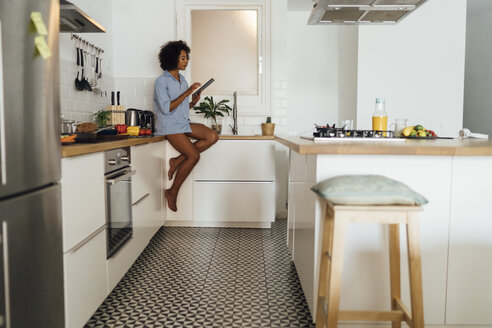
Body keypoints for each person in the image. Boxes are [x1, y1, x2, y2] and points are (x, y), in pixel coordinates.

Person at [154, 40, 218, 212]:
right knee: (194, 156)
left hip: (181, 123)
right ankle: (172, 192)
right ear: (173, 58)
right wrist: (188, 92)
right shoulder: (162, 81)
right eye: (183, 58)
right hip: (169, 126)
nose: (186, 61)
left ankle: (177, 160)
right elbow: (167, 108)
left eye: (187, 58)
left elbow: (180, 105)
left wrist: (192, 102)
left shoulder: (182, 79)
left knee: (212, 136)